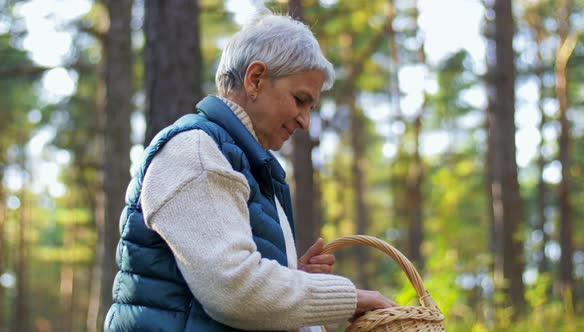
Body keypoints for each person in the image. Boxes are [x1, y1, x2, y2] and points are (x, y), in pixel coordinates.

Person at [104, 10, 395, 332]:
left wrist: (294, 279)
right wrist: (350, 298)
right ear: (255, 79)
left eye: (310, 108)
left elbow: (227, 286)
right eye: (300, 100)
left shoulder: (245, 163)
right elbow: (234, 289)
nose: (304, 121)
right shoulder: (197, 152)